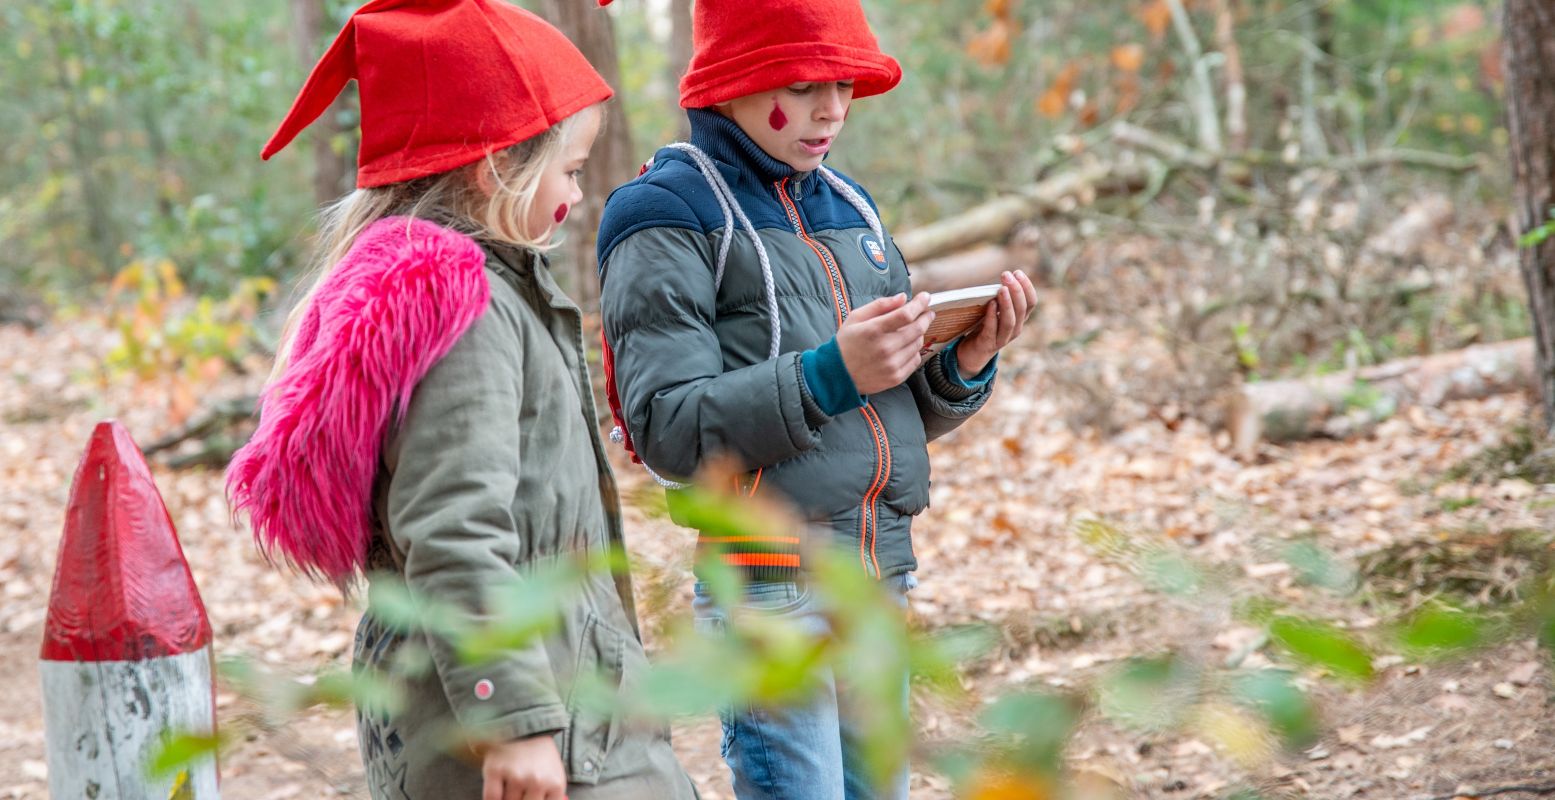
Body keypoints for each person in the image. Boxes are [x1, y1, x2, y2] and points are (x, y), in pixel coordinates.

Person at [225, 1, 696, 798]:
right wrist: (511, 721)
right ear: (493, 171)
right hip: (531, 719)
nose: (578, 198)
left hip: (555, 693)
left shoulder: (490, 294)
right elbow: (452, 532)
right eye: (570, 172)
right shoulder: (466, 311)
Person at [594, 0, 1038, 797]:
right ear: (729, 82)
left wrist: (964, 363)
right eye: (800, 86)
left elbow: (881, 414)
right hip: (767, 588)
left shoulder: (850, 207)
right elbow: (667, 428)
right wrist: (830, 371)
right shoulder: (662, 213)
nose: (830, 108)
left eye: (842, 83)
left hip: (877, 575)